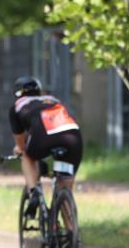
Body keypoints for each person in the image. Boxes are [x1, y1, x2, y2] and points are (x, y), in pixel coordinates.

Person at [8, 76, 83, 217]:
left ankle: (33, 192)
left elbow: (21, 144)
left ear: (17, 93)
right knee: (65, 187)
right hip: (73, 137)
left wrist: (19, 149)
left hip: (43, 137)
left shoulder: (17, 106)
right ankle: (72, 234)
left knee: (27, 156)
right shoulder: (53, 100)